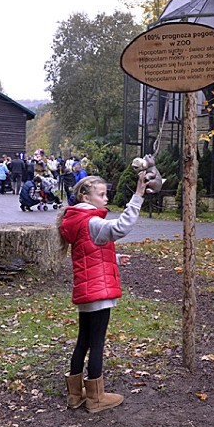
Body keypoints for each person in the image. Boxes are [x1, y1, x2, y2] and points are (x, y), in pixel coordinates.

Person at [57, 173, 147, 413]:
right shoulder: (92, 221)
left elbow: (87, 252)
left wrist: (114, 258)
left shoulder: (77, 220)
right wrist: (137, 196)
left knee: (83, 341)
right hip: (99, 292)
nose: (106, 198)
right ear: (85, 196)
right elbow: (121, 227)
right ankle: (96, 398)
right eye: (101, 194)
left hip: (87, 290)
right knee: (97, 343)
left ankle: (75, 395)